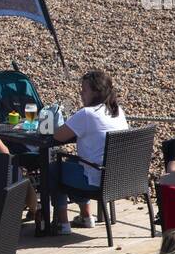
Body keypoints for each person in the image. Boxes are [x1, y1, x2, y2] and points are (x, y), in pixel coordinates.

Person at [51, 69, 128, 234]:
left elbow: (58, 136)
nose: (80, 93)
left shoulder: (86, 114)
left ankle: (62, 223)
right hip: (118, 177)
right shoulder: (117, 111)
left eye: (84, 90)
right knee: (75, 162)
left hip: (96, 180)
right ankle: (87, 216)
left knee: (52, 167)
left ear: (96, 92)